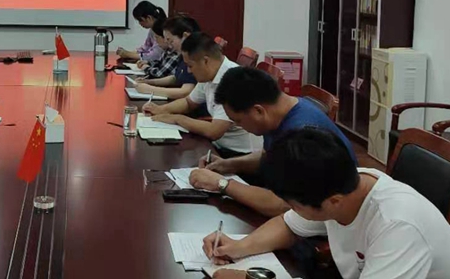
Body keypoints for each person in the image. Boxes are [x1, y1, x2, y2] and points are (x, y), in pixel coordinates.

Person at [202, 128, 450, 279]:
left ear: (333, 202)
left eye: (295, 205)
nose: (291, 210)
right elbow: (288, 225)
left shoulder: (398, 226)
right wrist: (238, 247)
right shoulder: (341, 183)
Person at [188, 67, 357, 217]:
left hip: (321, 219)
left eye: (238, 120)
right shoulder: (280, 111)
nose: (239, 126)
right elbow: (267, 156)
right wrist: (227, 165)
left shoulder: (302, 135)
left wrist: (221, 184)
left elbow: (284, 205)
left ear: (258, 111)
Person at [144, 32, 260, 155]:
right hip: (216, 146)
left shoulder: (232, 80)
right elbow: (188, 102)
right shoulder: (209, 75)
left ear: (205, 61)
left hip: (236, 155)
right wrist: (161, 110)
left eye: (190, 65)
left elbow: (214, 131)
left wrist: (177, 118)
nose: (189, 71)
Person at [135, 15, 200, 99]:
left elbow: (185, 92)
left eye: (170, 40)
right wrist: (149, 82)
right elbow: (176, 78)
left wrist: (149, 89)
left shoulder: (195, 57)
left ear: (185, 36)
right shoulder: (183, 55)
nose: (169, 45)